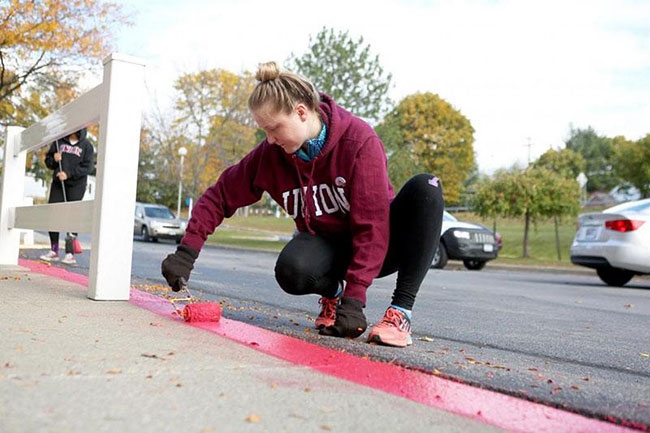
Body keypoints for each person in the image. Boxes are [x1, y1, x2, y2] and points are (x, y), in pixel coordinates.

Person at [162, 61, 444, 347]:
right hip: (332, 248)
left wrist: (355, 300)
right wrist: (186, 253)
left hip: (382, 247)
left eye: (274, 129)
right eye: (264, 131)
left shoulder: (359, 141)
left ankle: (400, 312)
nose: (269, 139)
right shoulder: (270, 155)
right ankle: (332, 294)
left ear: (300, 112)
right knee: (291, 270)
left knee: (427, 187)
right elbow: (219, 195)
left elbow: (372, 226)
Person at [39, 128, 94, 265]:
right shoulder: (59, 142)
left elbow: (88, 167)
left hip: (76, 185)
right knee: (53, 214)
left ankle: (70, 253)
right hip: (59, 183)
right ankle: (54, 250)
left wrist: (68, 174)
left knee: (72, 216)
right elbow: (48, 162)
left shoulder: (86, 146)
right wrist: (54, 159)